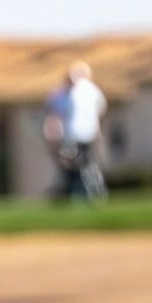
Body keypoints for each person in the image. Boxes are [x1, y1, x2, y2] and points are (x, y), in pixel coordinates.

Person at [43, 61, 108, 203]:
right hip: (70, 137)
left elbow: (100, 110)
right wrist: (52, 135)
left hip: (87, 136)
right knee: (72, 167)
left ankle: (88, 196)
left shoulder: (92, 92)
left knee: (85, 167)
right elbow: (53, 115)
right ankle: (76, 196)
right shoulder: (60, 94)